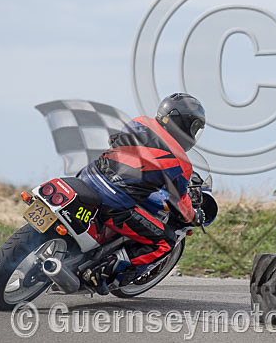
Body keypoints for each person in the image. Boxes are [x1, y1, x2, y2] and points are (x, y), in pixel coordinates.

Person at [78, 92, 206, 289]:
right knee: (164, 242)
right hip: (114, 202)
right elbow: (179, 202)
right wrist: (194, 215)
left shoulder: (139, 122)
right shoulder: (181, 161)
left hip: (88, 176)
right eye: (195, 127)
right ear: (184, 123)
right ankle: (101, 273)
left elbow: (116, 142)